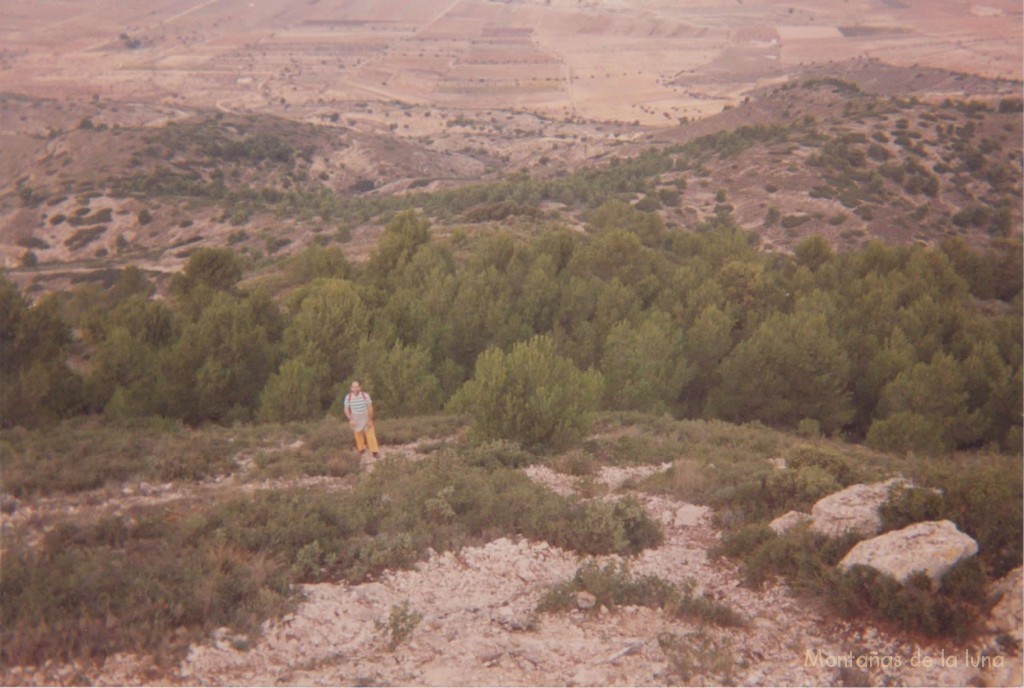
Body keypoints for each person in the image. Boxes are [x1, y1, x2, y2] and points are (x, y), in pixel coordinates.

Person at [344, 380, 379, 459]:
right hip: (355, 417)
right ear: (351, 388)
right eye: (353, 387)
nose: (355, 388)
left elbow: (370, 407)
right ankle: (361, 449)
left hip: (365, 415)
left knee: (370, 434)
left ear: (360, 387)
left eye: (357, 387)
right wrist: (350, 419)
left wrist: (370, 419)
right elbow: (346, 409)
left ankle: (375, 451)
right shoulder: (348, 397)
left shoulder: (365, 395)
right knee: (358, 434)